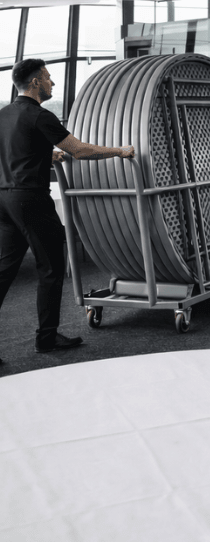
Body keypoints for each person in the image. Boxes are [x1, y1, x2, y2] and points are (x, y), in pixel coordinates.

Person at [0, 58, 135, 358]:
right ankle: (46, 338)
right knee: (50, 268)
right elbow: (80, 150)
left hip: (4, 201)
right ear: (35, 82)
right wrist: (119, 151)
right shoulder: (40, 115)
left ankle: (46, 337)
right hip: (31, 201)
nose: (53, 83)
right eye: (48, 77)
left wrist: (45, 156)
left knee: (4, 271)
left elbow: (13, 151)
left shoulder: (3, 115)